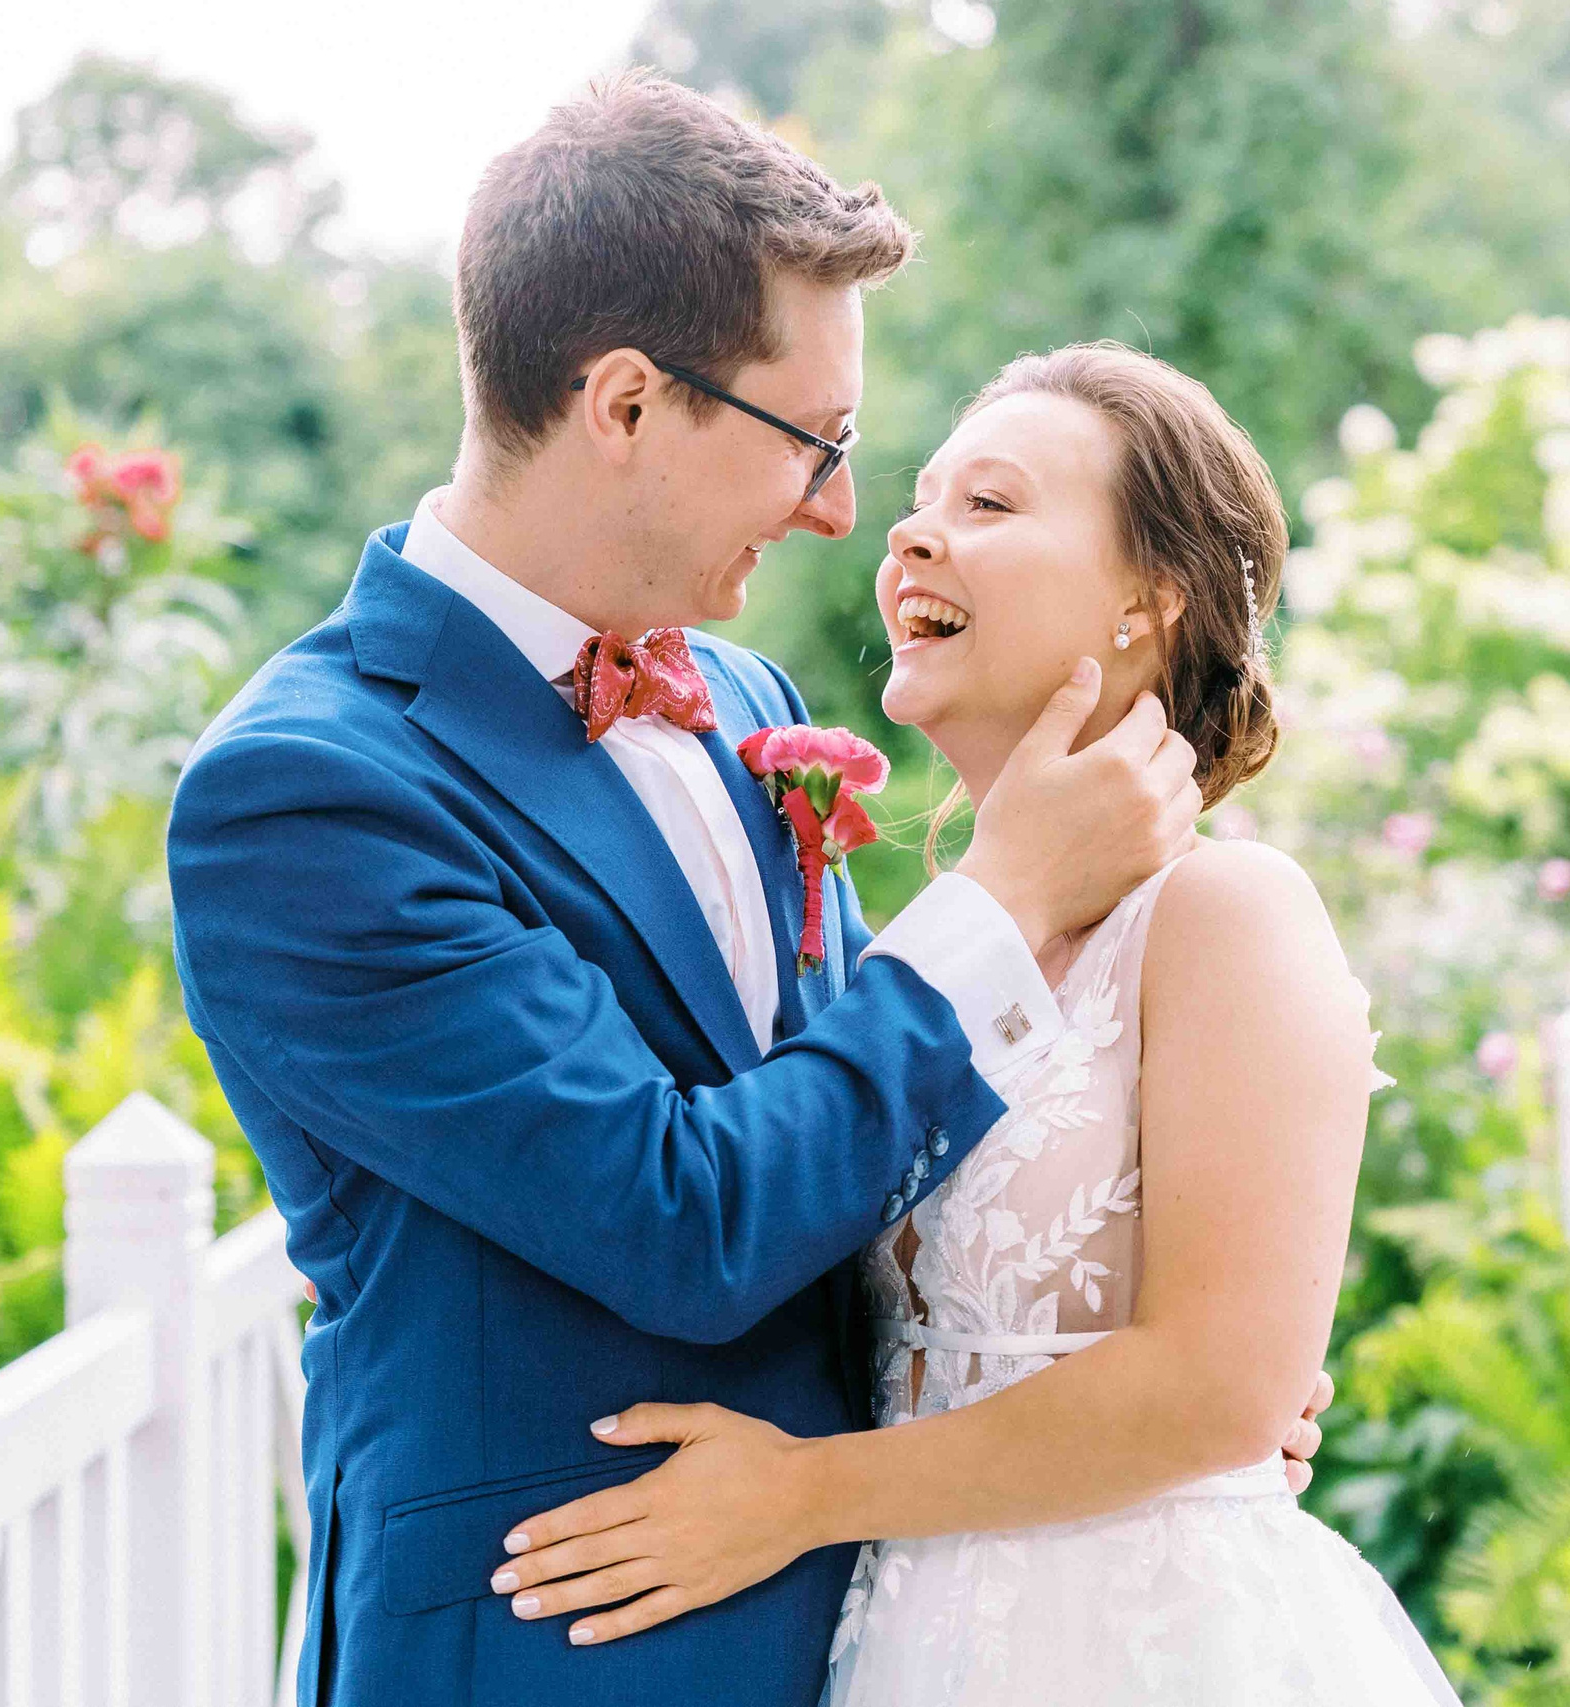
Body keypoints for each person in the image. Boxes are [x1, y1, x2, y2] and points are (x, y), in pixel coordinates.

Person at [164, 78, 1328, 1707]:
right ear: (628, 405)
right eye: (819, 444)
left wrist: (1175, 1372)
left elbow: (857, 1134)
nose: (848, 514)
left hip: (900, 1623)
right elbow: (688, 1218)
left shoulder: (745, 704)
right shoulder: (311, 793)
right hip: (560, 1645)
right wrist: (998, 904)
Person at [489, 343, 1460, 1704]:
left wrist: (803, 1496)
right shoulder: (927, 956)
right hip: (906, 1640)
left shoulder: (1228, 916)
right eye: (923, 499)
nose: (909, 531)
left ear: (1148, 599)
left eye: (991, 506)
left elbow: (1223, 1390)